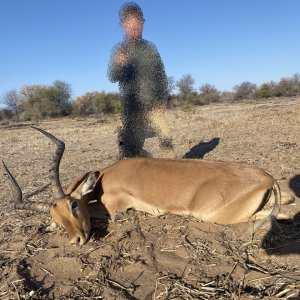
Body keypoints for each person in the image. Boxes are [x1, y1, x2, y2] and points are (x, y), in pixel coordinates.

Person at [108, 2, 173, 159]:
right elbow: (112, 77)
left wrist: (163, 100)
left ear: (143, 23)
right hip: (132, 109)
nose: (135, 28)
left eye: (138, 24)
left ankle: (171, 168)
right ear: (122, 25)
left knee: (166, 138)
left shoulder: (151, 48)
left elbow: (161, 75)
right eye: (130, 25)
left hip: (154, 106)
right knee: (131, 152)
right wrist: (118, 65)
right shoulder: (118, 50)